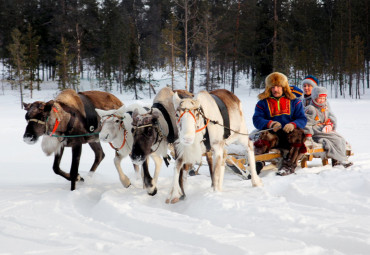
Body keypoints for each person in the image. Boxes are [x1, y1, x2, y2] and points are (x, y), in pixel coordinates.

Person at [253, 72, 307, 176]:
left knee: (298, 134)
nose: (275, 89)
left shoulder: (294, 101)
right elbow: (257, 119)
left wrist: (293, 124)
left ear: (284, 87)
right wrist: (270, 124)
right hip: (273, 135)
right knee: (264, 135)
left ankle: (288, 166)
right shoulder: (262, 103)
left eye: (278, 86)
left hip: (289, 136)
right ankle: (258, 163)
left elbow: (302, 119)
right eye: (272, 87)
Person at [304, 86, 353, 168]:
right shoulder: (311, 108)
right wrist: (308, 136)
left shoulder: (325, 107)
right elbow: (307, 123)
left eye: (323, 98)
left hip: (323, 130)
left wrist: (329, 125)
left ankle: (340, 159)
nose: (322, 100)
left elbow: (329, 118)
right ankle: (340, 160)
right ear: (314, 97)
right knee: (336, 139)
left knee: (341, 139)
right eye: (320, 98)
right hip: (316, 131)